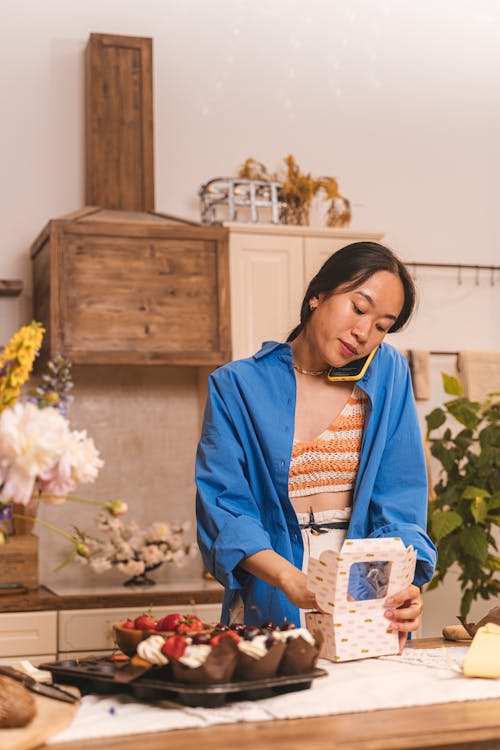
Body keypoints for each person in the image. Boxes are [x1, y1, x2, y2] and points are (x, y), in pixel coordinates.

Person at [196, 241, 437, 649]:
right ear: (318, 295)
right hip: (275, 592)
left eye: (382, 326)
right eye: (359, 309)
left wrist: (403, 584)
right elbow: (226, 510)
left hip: (367, 595)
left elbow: (400, 500)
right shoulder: (237, 386)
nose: (364, 334)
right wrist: (292, 580)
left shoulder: (388, 373)